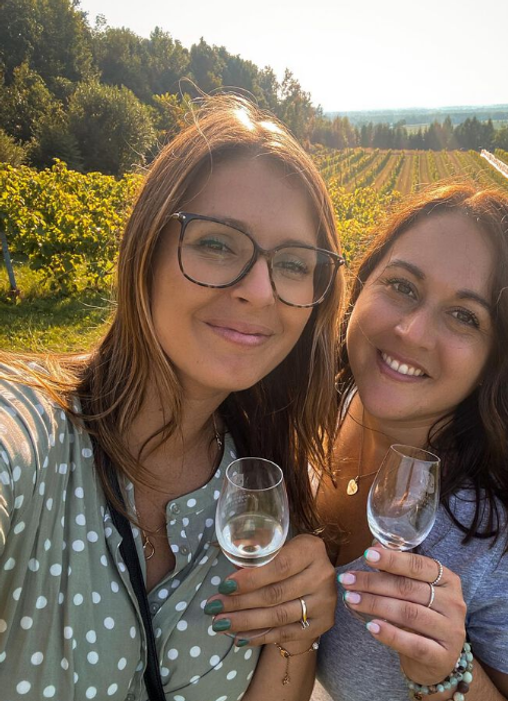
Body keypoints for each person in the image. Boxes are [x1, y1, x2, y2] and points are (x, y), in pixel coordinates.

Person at [0, 95, 345, 700]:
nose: (259, 290)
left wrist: (299, 631)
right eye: (217, 244)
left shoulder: (262, 495)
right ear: (146, 249)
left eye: (292, 263)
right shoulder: (30, 430)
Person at [312, 185, 508, 701]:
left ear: (498, 358)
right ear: (361, 285)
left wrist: (450, 675)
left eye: (465, 317)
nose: (411, 331)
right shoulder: (321, 404)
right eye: (403, 286)